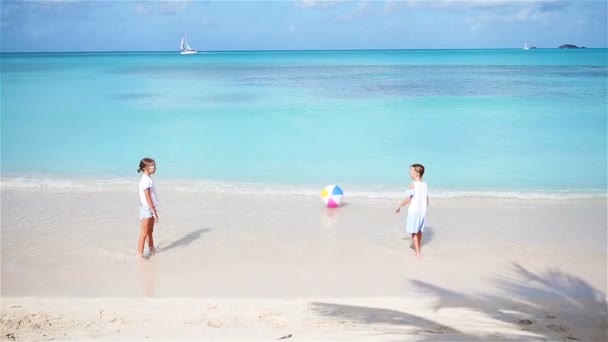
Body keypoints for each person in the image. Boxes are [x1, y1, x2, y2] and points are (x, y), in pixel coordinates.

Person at [395, 164, 429, 259]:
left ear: (417, 173)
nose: (409, 173)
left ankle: (418, 252)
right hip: (422, 211)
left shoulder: (412, 184)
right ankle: (417, 248)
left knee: (413, 232)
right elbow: (427, 198)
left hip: (414, 211)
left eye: (411, 171)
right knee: (419, 231)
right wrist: (426, 209)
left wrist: (399, 205)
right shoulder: (424, 184)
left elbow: (409, 199)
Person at [137, 158, 159, 257]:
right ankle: (140, 255)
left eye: (154, 165)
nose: (154, 167)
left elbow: (151, 197)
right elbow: (148, 197)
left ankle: (151, 249)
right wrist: (154, 212)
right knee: (144, 232)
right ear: (145, 168)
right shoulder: (145, 180)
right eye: (151, 166)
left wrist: (153, 208)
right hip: (147, 208)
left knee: (150, 231)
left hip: (149, 207)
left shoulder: (148, 178)